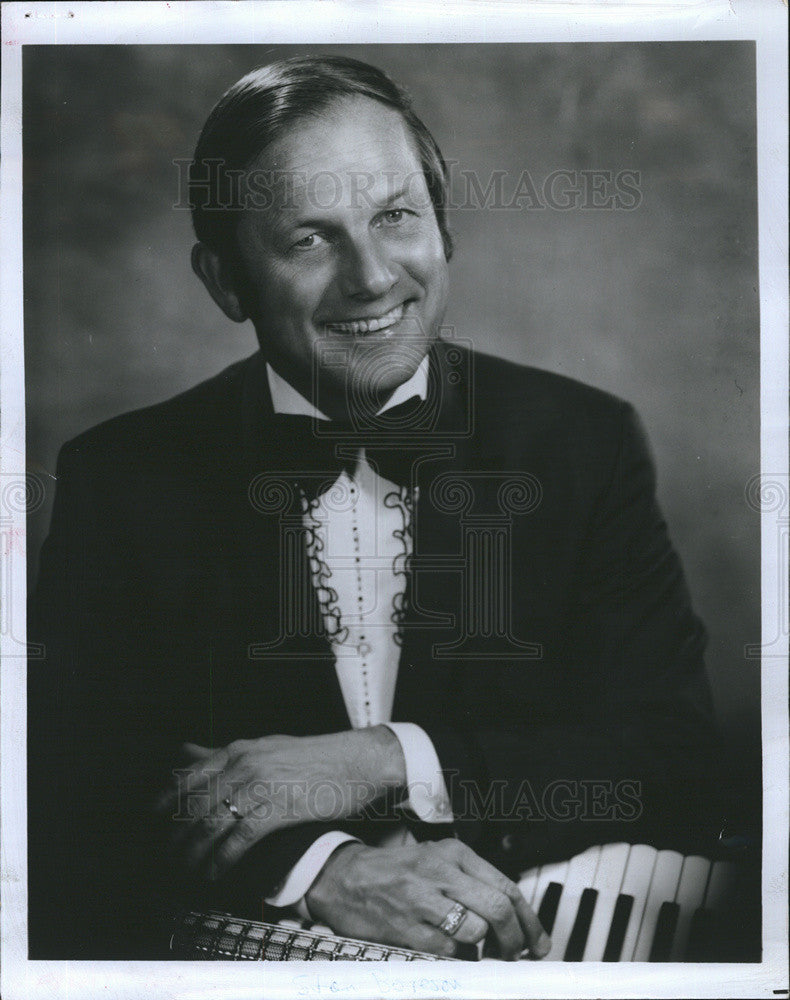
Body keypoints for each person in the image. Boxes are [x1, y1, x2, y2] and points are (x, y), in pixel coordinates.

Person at [27, 55, 719, 961]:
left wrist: (383, 759)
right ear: (225, 281)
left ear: (443, 230)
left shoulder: (582, 441)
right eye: (308, 240)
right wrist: (322, 866)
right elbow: (69, 785)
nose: (371, 277)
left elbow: (672, 755)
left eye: (395, 217)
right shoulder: (123, 477)